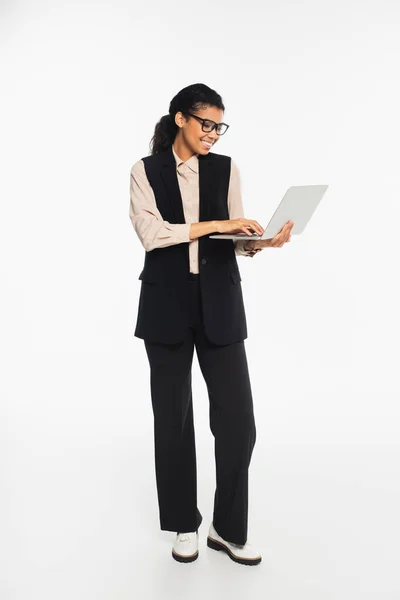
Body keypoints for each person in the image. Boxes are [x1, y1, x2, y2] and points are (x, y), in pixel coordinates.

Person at [129, 83, 293, 567]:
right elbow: (152, 234)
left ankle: (228, 529)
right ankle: (184, 523)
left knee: (238, 421)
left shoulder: (226, 169)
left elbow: (231, 236)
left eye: (219, 126)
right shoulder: (145, 170)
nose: (214, 134)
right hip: (166, 305)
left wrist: (261, 242)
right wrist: (212, 225)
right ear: (181, 119)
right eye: (206, 123)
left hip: (220, 301)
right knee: (174, 420)